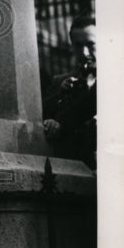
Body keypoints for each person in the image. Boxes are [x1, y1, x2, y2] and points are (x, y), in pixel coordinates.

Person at [42, 11, 96, 170]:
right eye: (79, 46)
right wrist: (60, 93)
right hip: (77, 169)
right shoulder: (60, 82)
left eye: (91, 44)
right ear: (72, 46)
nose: (86, 53)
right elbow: (44, 116)